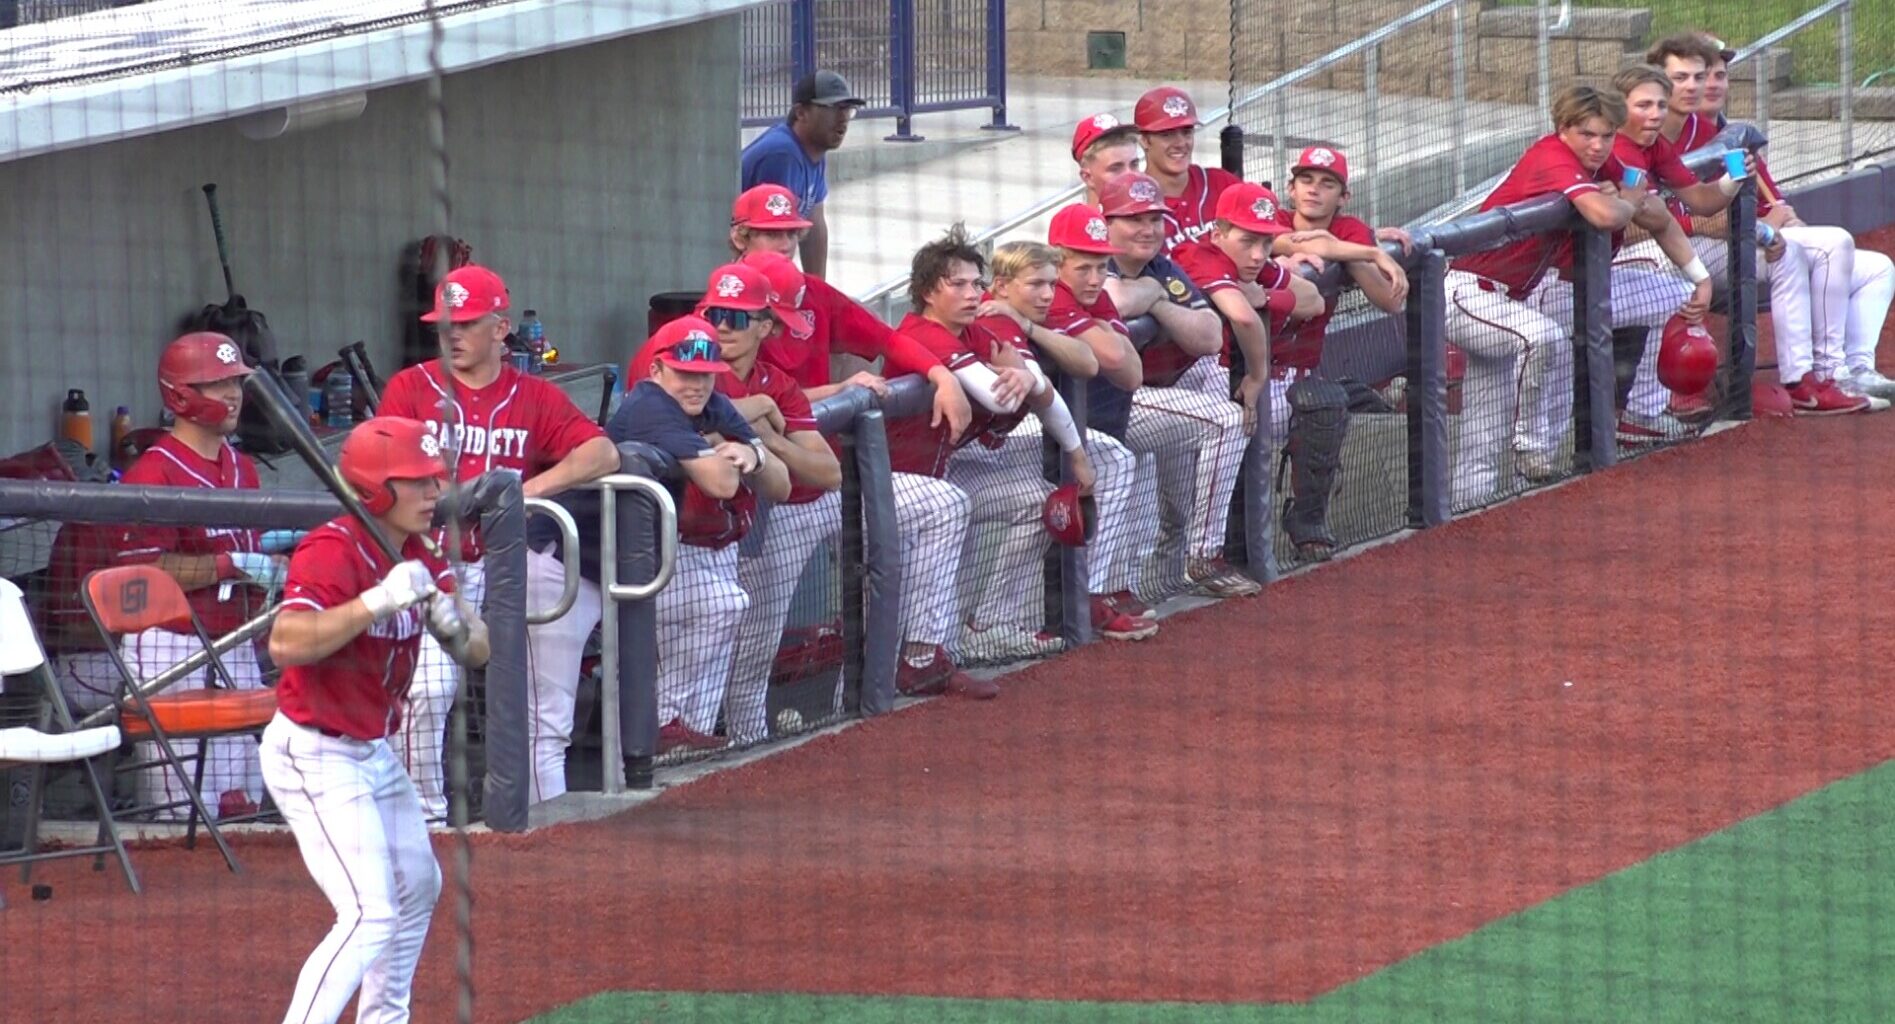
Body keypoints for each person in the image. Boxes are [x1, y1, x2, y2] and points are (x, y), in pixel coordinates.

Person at [262, 415, 487, 1024]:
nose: (433, 493)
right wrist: (375, 602)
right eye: (416, 482)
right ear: (375, 490)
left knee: (419, 886)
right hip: (313, 750)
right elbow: (287, 642)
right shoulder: (332, 550)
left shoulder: (419, 552)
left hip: (372, 751)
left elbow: (479, 650)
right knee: (368, 913)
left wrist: (452, 621)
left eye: (434, 479)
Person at [376, 263, 620, 819]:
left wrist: (521, 492)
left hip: (508, 567)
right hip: (431, 563)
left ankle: (543, 830)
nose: (454, 335)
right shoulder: (410, 388)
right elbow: (376, 464)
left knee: (538, 715)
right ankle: (425, 819)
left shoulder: (532, 394)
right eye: (445, 325)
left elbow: (602, 452)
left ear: (500, 328)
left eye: (466, 322)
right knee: (428, 693)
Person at [730, 216, 982, 694]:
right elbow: (746, 401)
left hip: (826, 487)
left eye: (792, 233)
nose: (786, 244)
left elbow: (888, 340)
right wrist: (839, 387)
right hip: (762, 503)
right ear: (740, 237)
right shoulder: (722, 317)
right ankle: (741, 744)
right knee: (754, 639)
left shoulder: (810, 292)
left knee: (943, 505)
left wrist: (942, 376)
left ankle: (917, 657)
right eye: (772, 233)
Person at [1444, 85, 1708, 510]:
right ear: (1563, 129)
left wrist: (1698, 274)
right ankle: (1529, 445)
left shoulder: (1605, 162)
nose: (1598, 145)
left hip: (1508, 300)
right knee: (1543, 338)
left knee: (1483, 432)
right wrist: (1627, 202)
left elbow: (1652, 208)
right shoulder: (1551, 155)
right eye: (1588, 134)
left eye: (1606, 135)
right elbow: (1609, 214)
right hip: (1465, 290)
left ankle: (1461, 519)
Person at [109, 332, 275, 820]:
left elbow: (252, 552)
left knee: (240, 802)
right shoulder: (152, 474)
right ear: (180, 394)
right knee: (184, 811)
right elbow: (139, 574)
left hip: (235, 641)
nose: (233, 394)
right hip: (170, 646)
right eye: (217, 384)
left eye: (236, 382)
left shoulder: (244, 468)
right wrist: (227, 566)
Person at [1679, 32, 1895, 407]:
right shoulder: (1679, 136)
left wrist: (1787, 223)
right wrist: (1772, 225)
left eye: (1718, 75)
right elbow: (1688, 217)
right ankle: (1830, 373)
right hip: (1713, 252)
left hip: (1760, 244)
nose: (1710, 84)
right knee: (1834, 243)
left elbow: (1775, 204)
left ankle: (1858, 367)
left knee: (1878, 268)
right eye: (1701, 75)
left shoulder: (1734, 136)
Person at [621, 318, 793, 747]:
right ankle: (662, 724)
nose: (696, 385)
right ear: (657, 371)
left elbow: (781, 484)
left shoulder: (707, 402)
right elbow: (722, 484)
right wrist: (743, 457)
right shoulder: (650, 407)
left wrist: (751, 453)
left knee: (722, 613)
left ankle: (678, 740)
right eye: (684, 373)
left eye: (705, 375)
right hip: (604, 561)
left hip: (652, 554)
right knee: (723, 604)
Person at [977, 239, 1154, 642]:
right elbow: (1041, 386)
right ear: (1001, 286)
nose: (1047, 294)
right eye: (1036, 284)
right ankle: (993, 622)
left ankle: (1083, 595)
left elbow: (1089, 361)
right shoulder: (993, 319)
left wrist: (1029, 328)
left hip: (991, 443)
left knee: (1109, 462)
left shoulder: (1015, 318)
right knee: (1102, 466)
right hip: (963, 453)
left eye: (1051, 284)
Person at [1091, 175, 1257, 594]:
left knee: (1222, 414)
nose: (1148, 229)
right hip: (1083, 412)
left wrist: (1157, 298)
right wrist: (1150, 292)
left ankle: (1196, 558)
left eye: (1155, 219)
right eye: (1134, 219)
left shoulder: (1160, 268)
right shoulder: (1093, 261)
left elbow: (1208, 336)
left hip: (1128, 403)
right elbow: (1117, 302)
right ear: (1105, 220)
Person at [739, 70, 865, 280]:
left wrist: (820, 294)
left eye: (847, 109)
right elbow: (771, 238)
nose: (843, 118)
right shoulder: (783, 153)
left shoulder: (814, 149)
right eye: (832, 108)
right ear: (801, 113)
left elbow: (814, 225)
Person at [1132, 86, 1240, 254]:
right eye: (1167, 134)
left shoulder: (1222, 184)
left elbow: (1271, 232)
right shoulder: (1133, 203)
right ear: (1144, 140)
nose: (1181, 143)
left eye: (1187, 132)